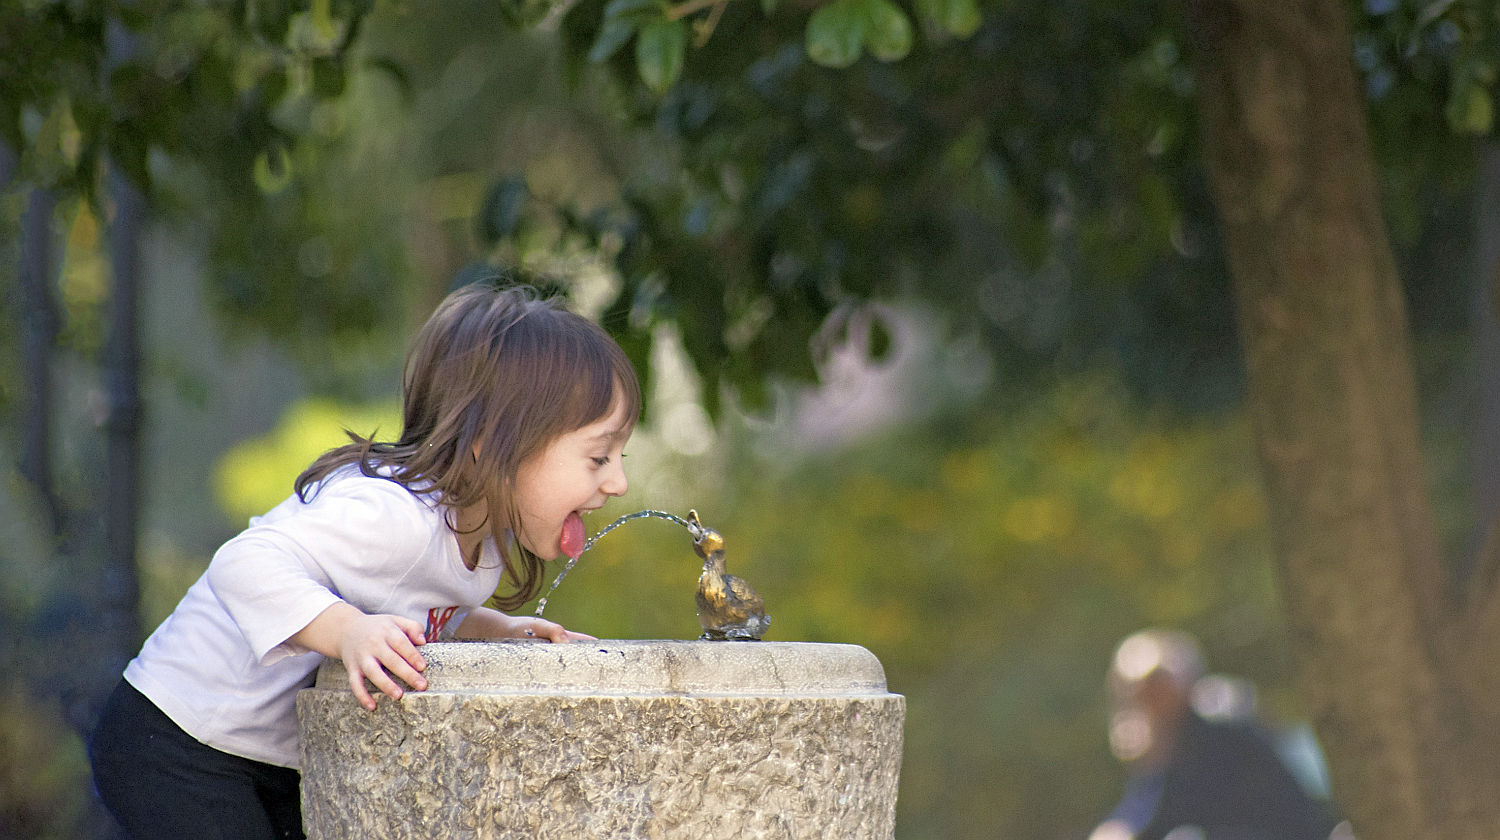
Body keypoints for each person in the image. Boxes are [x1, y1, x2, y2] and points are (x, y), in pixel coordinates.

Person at [88, 281, 641, 840]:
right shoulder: (393, 516)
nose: (618, 482)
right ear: (492, 442)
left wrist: (494, 629)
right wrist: (348, 631)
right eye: (598, 457)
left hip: (261, 757)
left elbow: (413, 605)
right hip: (176, 736)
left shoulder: (485, 539)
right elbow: (245, 562)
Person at [1088, 629, 1344, 840]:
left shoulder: (1218, 725)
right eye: (1139, 690)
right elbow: (1143, 805)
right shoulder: (1166, 737)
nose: (1151, 696)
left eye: (1158, 681)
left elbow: (1185, 806)